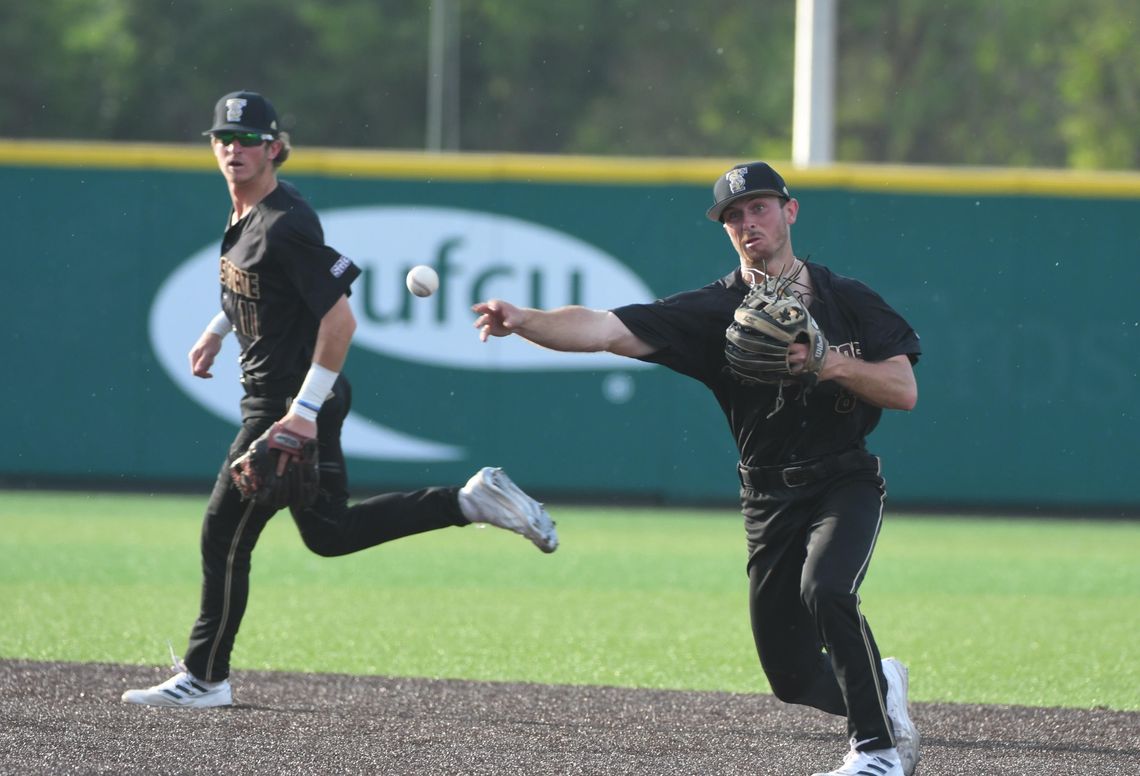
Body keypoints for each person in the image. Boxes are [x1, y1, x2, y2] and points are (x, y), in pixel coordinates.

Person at [471, 161, 922, 776]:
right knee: (791, 677)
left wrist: (826, 363)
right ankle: (881, 688)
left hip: (844, 478)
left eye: (758, 207)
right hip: (768, 499)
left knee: (827, 589)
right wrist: (524, 320)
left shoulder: (848, 299)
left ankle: (877, 753)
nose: (746, 222)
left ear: (789, 211)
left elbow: (902, 388)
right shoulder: (715, 312)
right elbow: (604, 328)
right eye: (733, 216)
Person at [121, 91, 558, 709]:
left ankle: (205, 677)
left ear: (275, 147)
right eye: (224, 138)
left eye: (248, 139)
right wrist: (217, 332)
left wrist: (299, 415)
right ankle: (469, 500)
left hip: (283, 404)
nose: (234, 149)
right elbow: (266, 289)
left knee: (223, 536)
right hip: (294, 398)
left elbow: (340, 320)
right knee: (329, 532)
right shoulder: (256, 210)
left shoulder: (283, 221)